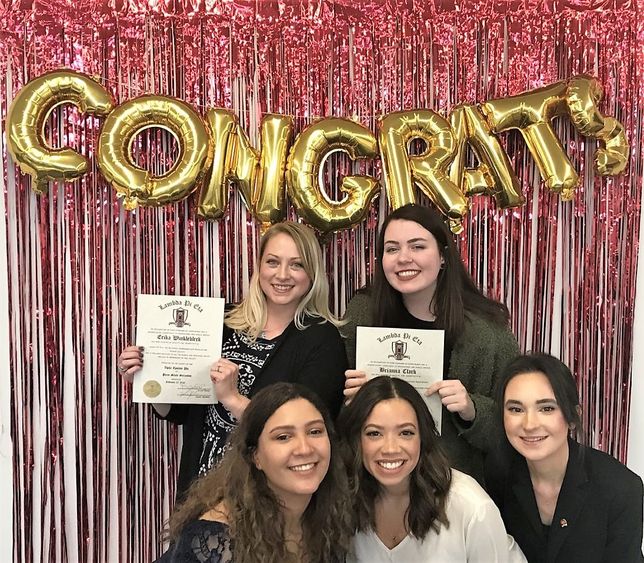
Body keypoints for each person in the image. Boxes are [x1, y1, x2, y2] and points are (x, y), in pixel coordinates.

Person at [118, 221, 348, 499]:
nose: (282, 274)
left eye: (297, 265)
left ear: (312, 273)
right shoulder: (221, 321)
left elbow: (307, 432)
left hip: (266, 500)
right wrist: (148, 375)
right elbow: (178, 411)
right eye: (273, 262)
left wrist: (233, 399)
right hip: (201, 492)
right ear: (259, 267)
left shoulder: (322, 339)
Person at [342, 203, 519, 484]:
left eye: (417, 247)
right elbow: (334, 420)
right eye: (392, 249)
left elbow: (512, 426)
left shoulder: (488, 331)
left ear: (443, 256)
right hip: (373, 480)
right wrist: (351, 400)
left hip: (452, 483)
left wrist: (471, 409)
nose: (403, 258)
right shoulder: (362, 314)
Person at [156, 382, 352, 563]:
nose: (305, 448)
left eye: (315, 431)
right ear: (255, 456)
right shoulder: (214, 540)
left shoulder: (329, 517)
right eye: (283, 437)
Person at [338, 376, 526, 562]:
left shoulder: (472, 507)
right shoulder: (342, 502)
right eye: (374, 433)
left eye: (406, 433)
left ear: (423, 437)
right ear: (357, 441)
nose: (390, 448)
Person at [485, 353, 644, 563]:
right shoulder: (498, 471)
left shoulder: (621, 488)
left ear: (572, 417)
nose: (529, 424)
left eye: (547, 408)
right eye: (516, 409)